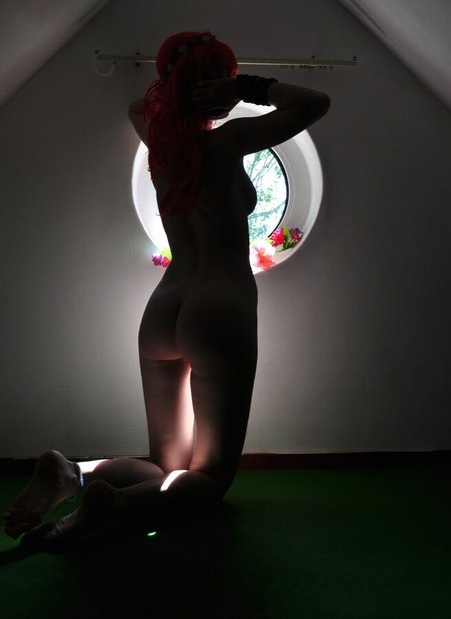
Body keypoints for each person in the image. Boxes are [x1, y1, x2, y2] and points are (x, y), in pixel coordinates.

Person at [4, 31, 330, 548]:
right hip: (219, 307)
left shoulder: (159, 141)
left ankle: (75, 474)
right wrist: (243, 88)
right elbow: (315, 101)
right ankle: (116, 505)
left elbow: (137, 105)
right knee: (209, 478)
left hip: (165, 306)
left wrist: (178, 91)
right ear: (216, 86)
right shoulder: (228, 143)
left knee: (164, 463)